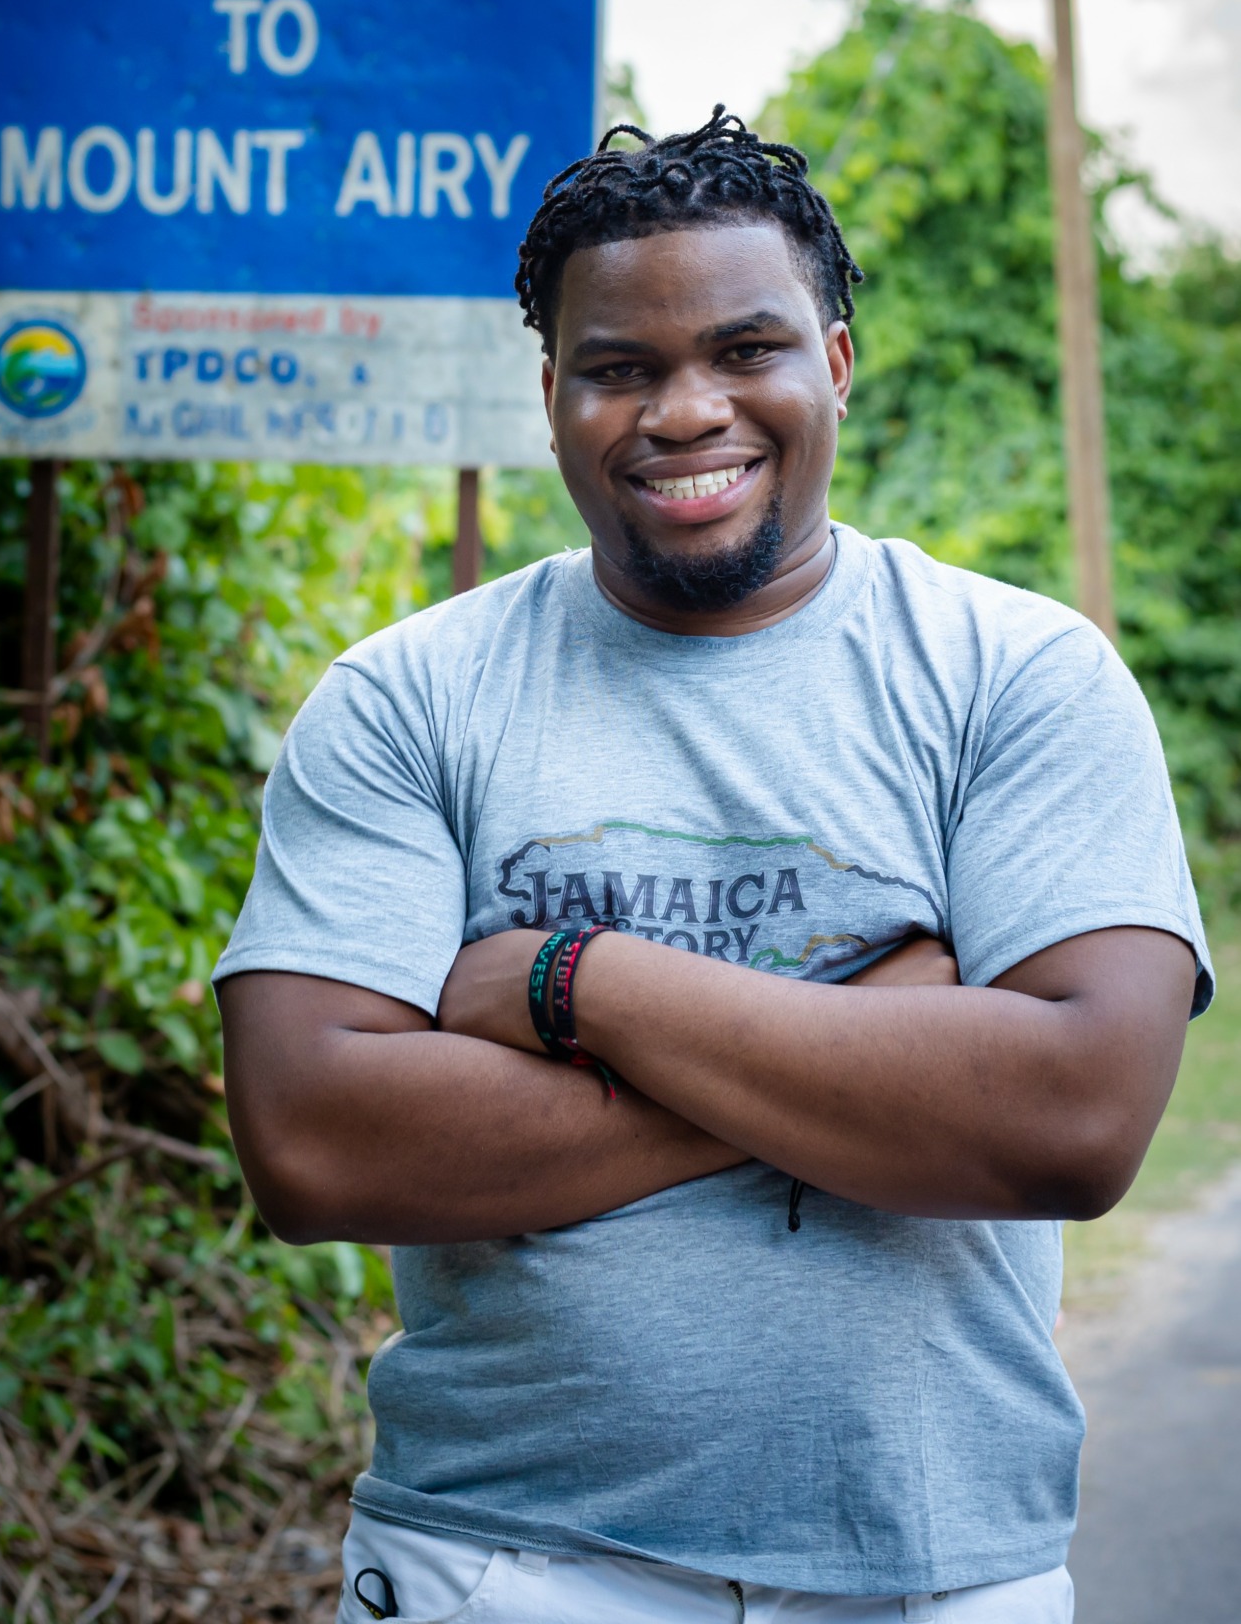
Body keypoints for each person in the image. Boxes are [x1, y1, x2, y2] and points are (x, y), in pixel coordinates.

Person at [216, 109, 1209, 1623]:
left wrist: (577, 984)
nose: (686, 412)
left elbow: (1073, 1124)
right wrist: (875, 1040)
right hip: (501, 1564)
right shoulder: (408, 700)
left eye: (747, 351)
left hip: (934, 1573)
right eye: (620, 367)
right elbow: (314, 1148)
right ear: (553, 397)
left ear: (837, 363)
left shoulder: (1017, 679)